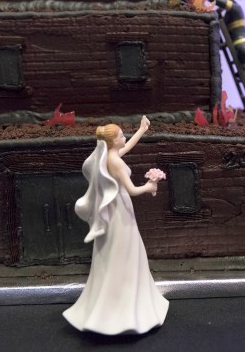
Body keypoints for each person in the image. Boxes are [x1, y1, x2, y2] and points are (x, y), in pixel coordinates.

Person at [63, 116, 169, 335]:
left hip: (116, 209)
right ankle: (124, 309)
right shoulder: (116, 162)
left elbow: (128, 147)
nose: (124, 137)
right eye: (121, 135)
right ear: (113, 142)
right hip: (120, 211)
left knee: (118, 253)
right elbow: (132, 190)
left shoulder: (109, 156)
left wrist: (142, 130)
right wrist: (149, 186)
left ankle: (115, 306)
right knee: (126, 253)